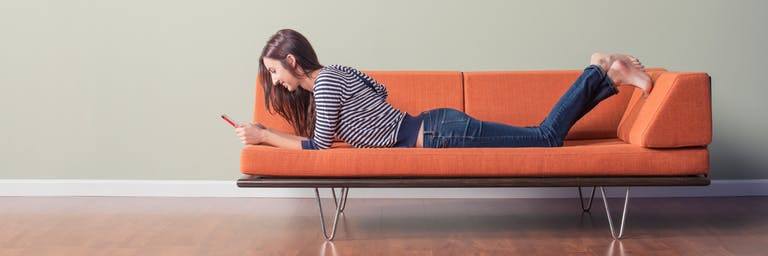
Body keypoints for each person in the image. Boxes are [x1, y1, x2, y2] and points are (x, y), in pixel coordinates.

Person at [235, 29, 652, 150]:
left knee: (545, 138)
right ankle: (605, 74)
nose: (276, 82)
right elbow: (378, 91)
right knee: (540, 135)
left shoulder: (323, 84)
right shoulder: (337, 71)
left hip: (441, 135)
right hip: (436, 125)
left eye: (274, 72)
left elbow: (320, 149)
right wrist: (363, 120)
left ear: (292, 61)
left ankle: (600, 71)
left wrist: (264, 136)